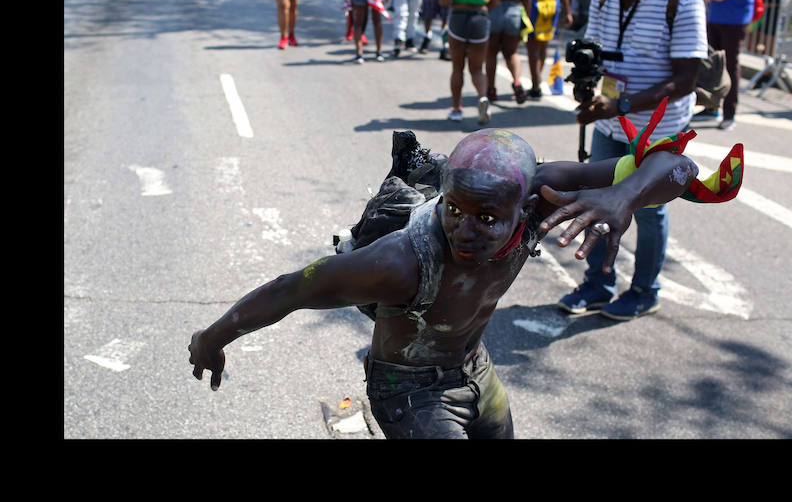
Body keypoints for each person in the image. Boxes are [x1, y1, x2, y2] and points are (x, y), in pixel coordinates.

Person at [189, 123, 707, 439]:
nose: (464, 228)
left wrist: (626, 195)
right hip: (408, 389)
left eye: (487, 218)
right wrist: (211, 338)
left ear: (524, 209)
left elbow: (679, 165)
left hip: (474, 369)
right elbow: (290, 289)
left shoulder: (541, 190)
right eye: (454, 208)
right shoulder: (400, 262)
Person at [557, 0, 708, 321]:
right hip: (610, 119)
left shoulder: (683, 0)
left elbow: (687, 79)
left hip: (658, 131)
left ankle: (644, 290)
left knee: (649, 211)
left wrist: (623, 105)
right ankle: (597, 285)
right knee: (596, 198)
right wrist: (586, 88)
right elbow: (595, 52)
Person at [701, 0, 772, 131]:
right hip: (714, 14)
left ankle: (729, 113)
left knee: (730, 64)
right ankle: (710, 106)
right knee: (711, 63)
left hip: (736, 17)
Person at [439, 0, 500, 125]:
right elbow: (494, 2)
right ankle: (482, 98)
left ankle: (457, 109)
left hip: (458, 19)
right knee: (477, 68)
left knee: (457, 68)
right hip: (480, 19)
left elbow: (444, 0)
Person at [525, 0, 573, 99]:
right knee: (543, 44)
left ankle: (535, 83)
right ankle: (537, 79)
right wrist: (567, 12)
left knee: (532, 45)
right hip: (552, 4)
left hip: (533, 3)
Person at [485, 0, 531, 104]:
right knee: (512, 52)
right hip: (514, 10)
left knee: (491, 52)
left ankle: (491, 89)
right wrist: (528, 16)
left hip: (495, 10)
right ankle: (517, 82)